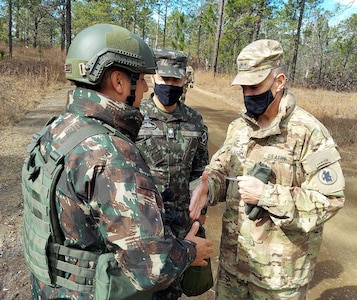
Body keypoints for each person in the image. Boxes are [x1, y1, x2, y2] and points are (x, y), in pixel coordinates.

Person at [22, 24, 213, 300]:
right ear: (119, 81)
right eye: (143, 78)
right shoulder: (109, 153)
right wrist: (191, 250)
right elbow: (153, 267)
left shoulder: (57, 129)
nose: (148, 87)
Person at [189, 39, 345, 299]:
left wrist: (267, 196)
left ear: (279, 81)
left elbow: (329, 199)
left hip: (279, 280)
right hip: (234, 268)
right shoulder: (239, 128)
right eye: (244, 87)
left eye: (255, 86)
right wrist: (208, 188)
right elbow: (221, 169)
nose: (248, 94)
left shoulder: (309, 132)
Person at [136, 49, 210, 299]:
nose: (169, 85)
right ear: (154, 77)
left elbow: (200, 170)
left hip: (180, 227)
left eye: (175, 80)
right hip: (143, 225)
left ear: (184, 80)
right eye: (164, 79)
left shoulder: (194, 121)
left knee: (172, 292)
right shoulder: (134, 116)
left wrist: (201, 210)